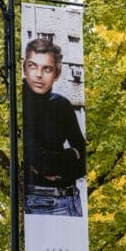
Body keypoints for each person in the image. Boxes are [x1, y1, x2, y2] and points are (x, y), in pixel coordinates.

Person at [23, 38, 86, 217]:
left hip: (72, 198)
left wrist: (60, 174)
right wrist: (72, 154)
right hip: (38, 200)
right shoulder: (21, 104)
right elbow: (43, 162)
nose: (39, 74)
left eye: (47, 69)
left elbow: (84, 157)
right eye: (33, 66)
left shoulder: (62, 104)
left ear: (56, 73)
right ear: (25, 68)